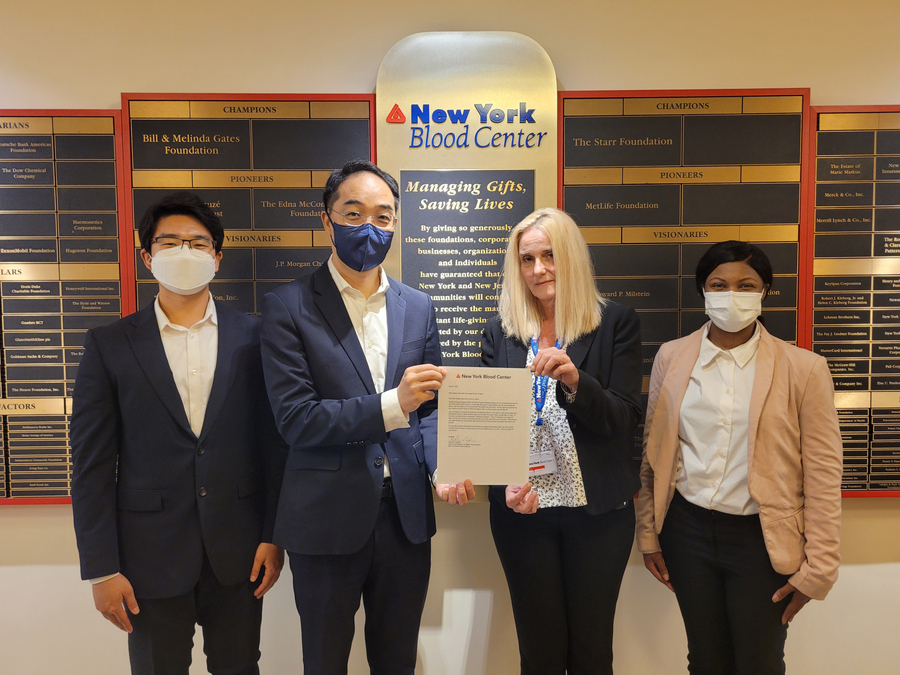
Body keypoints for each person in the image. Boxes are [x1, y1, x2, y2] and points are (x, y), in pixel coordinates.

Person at [259, 159, 474, 675]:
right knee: (325, 662)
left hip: (405, 517)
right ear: (327, 221)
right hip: (324, 519)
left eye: (383, 216)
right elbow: (297, 419)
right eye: (353, 214)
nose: (370, 227)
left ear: (396, 223)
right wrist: (393, 403)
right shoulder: (287, 306)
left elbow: (431, 408)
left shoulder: (418, 305)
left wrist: (442, 466)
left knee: (397, 660)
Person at [70, 191, 287, 675]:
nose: (184, 252)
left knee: (240, 667)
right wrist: (101, 569)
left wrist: (274, 536)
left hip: (239, 552)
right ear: (147, 257)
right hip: (147, 557)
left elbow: (274, 447)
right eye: (169, 242)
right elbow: (91, 466)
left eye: (198, 242)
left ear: (217, 257)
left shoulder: (258, 337)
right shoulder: (110, 345)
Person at [636, 240, 843, 675]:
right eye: (719, 284)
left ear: (765, 290)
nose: (732, 294)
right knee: (704, 659)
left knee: (759, 662)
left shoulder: (804, 368)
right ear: (703, 290)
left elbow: (824, 474)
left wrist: (821, 568)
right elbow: (653, 456)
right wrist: (649, 533)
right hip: (687, 533)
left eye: (746, 285)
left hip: (762, 540)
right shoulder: (671, 357)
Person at [480, 207, 643, 675]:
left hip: (597, 515)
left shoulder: (615, 323)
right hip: (524, 513)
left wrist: (576, 382)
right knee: (539, 652)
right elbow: (492, 425)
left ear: (570, 256)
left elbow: (625, 419)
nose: (538, 270)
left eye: (549, 255)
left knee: (591, 652)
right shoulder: (501, 331)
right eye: (527, 259)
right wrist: (505, 483)